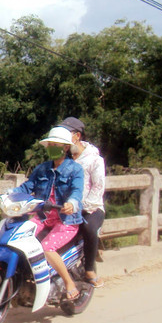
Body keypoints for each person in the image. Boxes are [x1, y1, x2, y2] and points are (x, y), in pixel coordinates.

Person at [0, 126, 85, 300]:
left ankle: (69, 283)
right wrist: (5, 193)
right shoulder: (42, 169)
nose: (51, 148)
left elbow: (77, 191)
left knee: (47, 248)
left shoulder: (75, 170)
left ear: (65, 147)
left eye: (55, 144)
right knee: (17, 238)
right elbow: (26, 187)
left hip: (66, 220)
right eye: (49, 144)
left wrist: (71, 203)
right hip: (43, 217)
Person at [58, 116, 105, 288]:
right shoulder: (62, 158)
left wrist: (82, 207)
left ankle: (89, 270)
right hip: (65, 207)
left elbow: (98, 187)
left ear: (77, 136)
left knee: (88, 228)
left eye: (66, 133)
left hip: (90, 209)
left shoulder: (94, 159)